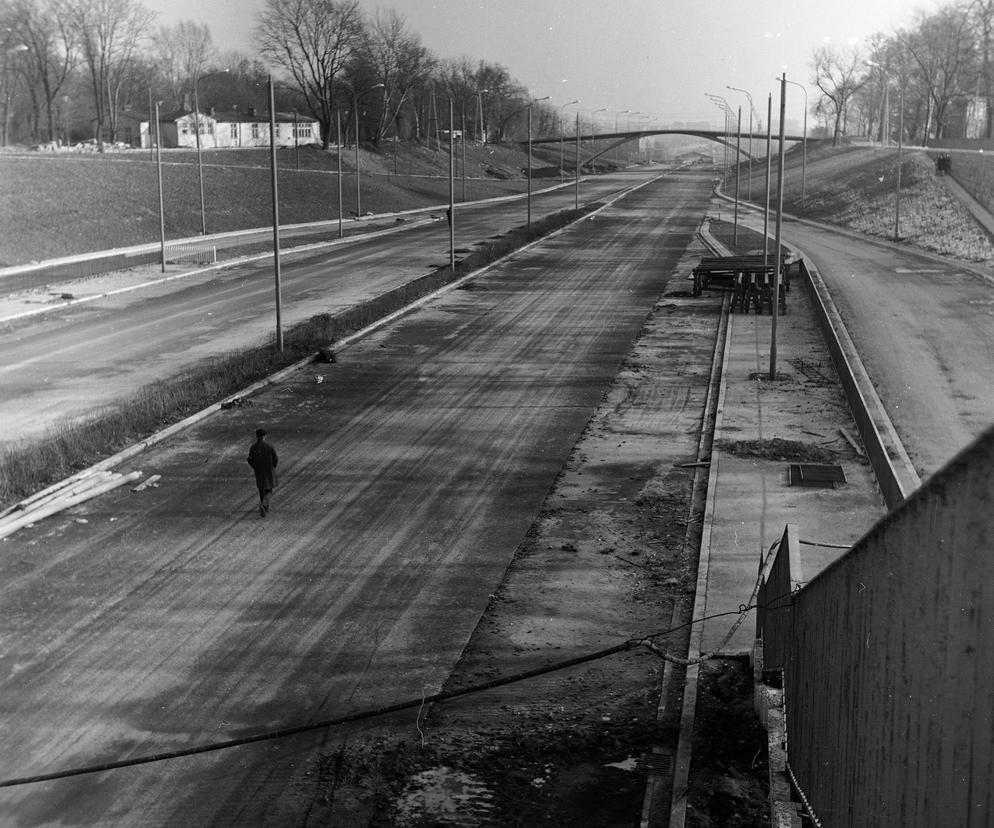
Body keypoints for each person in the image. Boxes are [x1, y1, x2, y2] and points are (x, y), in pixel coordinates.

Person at [247, 428, 278, 517]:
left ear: (257, 436)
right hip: (269, 470)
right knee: (270, 489)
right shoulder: (270, 446)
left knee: (261, 489)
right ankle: (264, 505)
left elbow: (249, 460)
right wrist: (273, 467)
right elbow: (275, 459)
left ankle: (265, 508)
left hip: (259, 471)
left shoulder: (253, 448)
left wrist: (255, 467)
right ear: (265, 436)